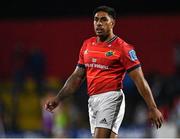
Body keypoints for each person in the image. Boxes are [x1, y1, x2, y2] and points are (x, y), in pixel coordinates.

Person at [45, 5, 164, 138]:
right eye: (96, 20)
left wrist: (152, 107)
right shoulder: (87, 45)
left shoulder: (123, 48)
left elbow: (139, 80)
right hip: (93, 100)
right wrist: (58, 98)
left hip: (111, 98)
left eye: (103, 20)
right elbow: (77, 77)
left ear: (112, 23)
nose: (98, 23)